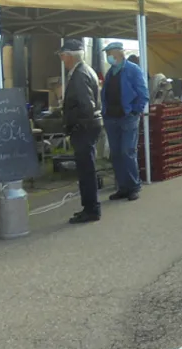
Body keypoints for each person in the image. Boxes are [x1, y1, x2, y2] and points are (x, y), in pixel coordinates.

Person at [59, 39, 103, 224]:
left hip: (85, 127)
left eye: (63, 56)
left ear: (69, 56)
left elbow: (86, 105)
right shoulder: (84, 70)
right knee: (86, 168)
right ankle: (89, 207)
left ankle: (91, 209)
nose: (62, 59)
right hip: (89, 125)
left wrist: (76, 124)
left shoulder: (79, 74)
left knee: (86, 170)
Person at [100, 41, 149, 201]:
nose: (108, 57)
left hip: (128, 117)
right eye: (107, 54)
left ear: (119, 53)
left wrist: (136, 110)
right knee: (116, 153)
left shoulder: (133, 70)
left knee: (127, 151)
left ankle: (134, 186)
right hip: (111, 118)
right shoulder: (110, 72)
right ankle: (123, 187)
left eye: (110, 53)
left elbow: (143, 93)